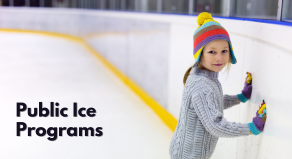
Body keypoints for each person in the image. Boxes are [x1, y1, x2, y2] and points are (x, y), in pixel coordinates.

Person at [168, 12, 267, 159]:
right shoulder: (201, 85)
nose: (219, 57)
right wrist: (251, 128)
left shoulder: (204, 77)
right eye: (212, 52)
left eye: (224, 51)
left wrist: (240, 97)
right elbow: (216, 126)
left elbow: (213, 103)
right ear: (200, 54)